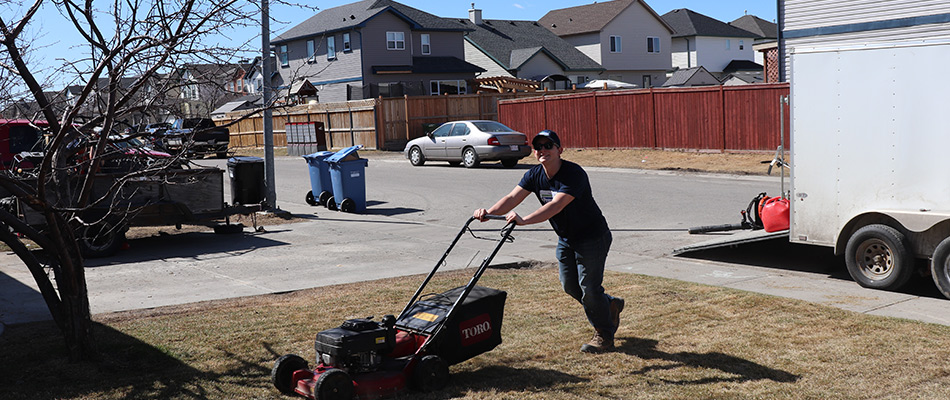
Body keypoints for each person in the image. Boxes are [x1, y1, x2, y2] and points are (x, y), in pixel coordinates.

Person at [473, 130, 623, 353]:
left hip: (592, 237)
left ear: (559, 150)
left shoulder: (574, 174)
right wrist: (489, 213)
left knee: (589, 289)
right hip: (567, 238)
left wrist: (524, 221)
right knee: (570, 286)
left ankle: (604, 335)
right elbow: (512, 198)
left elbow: (555, 206)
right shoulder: (534, 175)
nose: (543, 150)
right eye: (538, 147)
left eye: (548, 145)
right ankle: (609, 304)